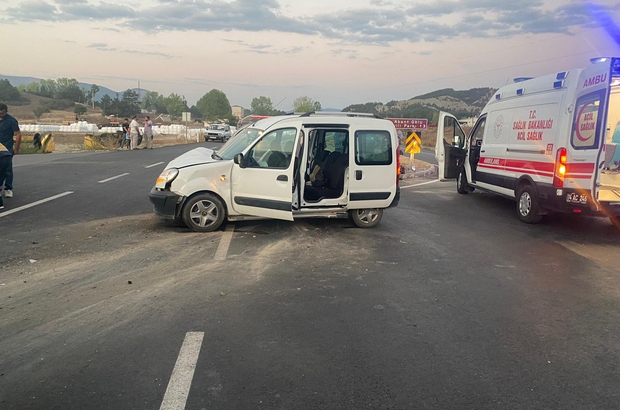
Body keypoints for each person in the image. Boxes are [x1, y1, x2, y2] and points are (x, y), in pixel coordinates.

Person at [0, 103, 21, 201]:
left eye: (2, 113)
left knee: (7, 168)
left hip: (6, 148)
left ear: (6, 112)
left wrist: (16, 148)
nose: (1, 115)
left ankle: (8, 188)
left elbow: (18, 134)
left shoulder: (11, 120)